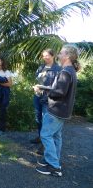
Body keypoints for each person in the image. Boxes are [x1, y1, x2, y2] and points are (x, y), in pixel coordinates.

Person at [34, 45, 80, 177]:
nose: (59, 55)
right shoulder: (70, 71)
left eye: (61, 53)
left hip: (56, 110)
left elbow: (58, 92)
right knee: (56, 136)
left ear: (67, 56)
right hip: (63, 111)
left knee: (46, 135)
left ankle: (54, 167)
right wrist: (47, 88)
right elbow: (60, 90)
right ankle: (54, 161)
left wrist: (42, 90)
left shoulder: (66, 72)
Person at [30, 49, 61, 149]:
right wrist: (35, 87)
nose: (45, 57)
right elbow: (37, 80)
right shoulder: (41, 67)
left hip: (48, 99)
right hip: (38, 96)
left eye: (47, 55)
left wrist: (43, 88)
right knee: (38, 118)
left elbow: (57, 86)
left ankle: (45, 144)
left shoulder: (58, 69)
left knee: (45, 120)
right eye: (43, 56)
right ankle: (40, 137)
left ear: (53, 56)